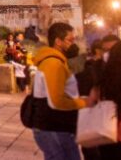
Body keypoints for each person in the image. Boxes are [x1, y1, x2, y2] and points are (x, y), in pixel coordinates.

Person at [31, 21, 87, 160]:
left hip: (57, 125)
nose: (73, 44)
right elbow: (56, 101)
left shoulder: (57, 62)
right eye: (70, 40)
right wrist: (83, 103)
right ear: (58, 41)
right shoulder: (53, 64)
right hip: (52, 126)